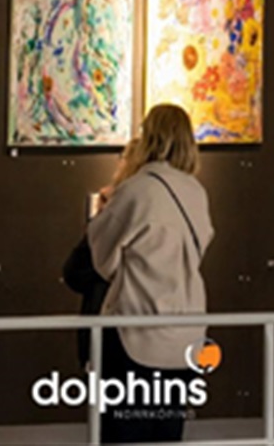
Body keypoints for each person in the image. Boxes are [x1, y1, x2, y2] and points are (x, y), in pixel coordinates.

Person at [87, 104, 215, 444]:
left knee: (123, 432)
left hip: (136, 334)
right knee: (167, 432)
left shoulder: (136, 190)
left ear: (150, 137)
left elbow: (102, 259)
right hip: (186, 335)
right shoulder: (196, 192)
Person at [63, 138, 141, 370]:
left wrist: (100, 220)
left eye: (123, 158)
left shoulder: (122, 207)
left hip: (113, 328)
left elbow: (75, 272)